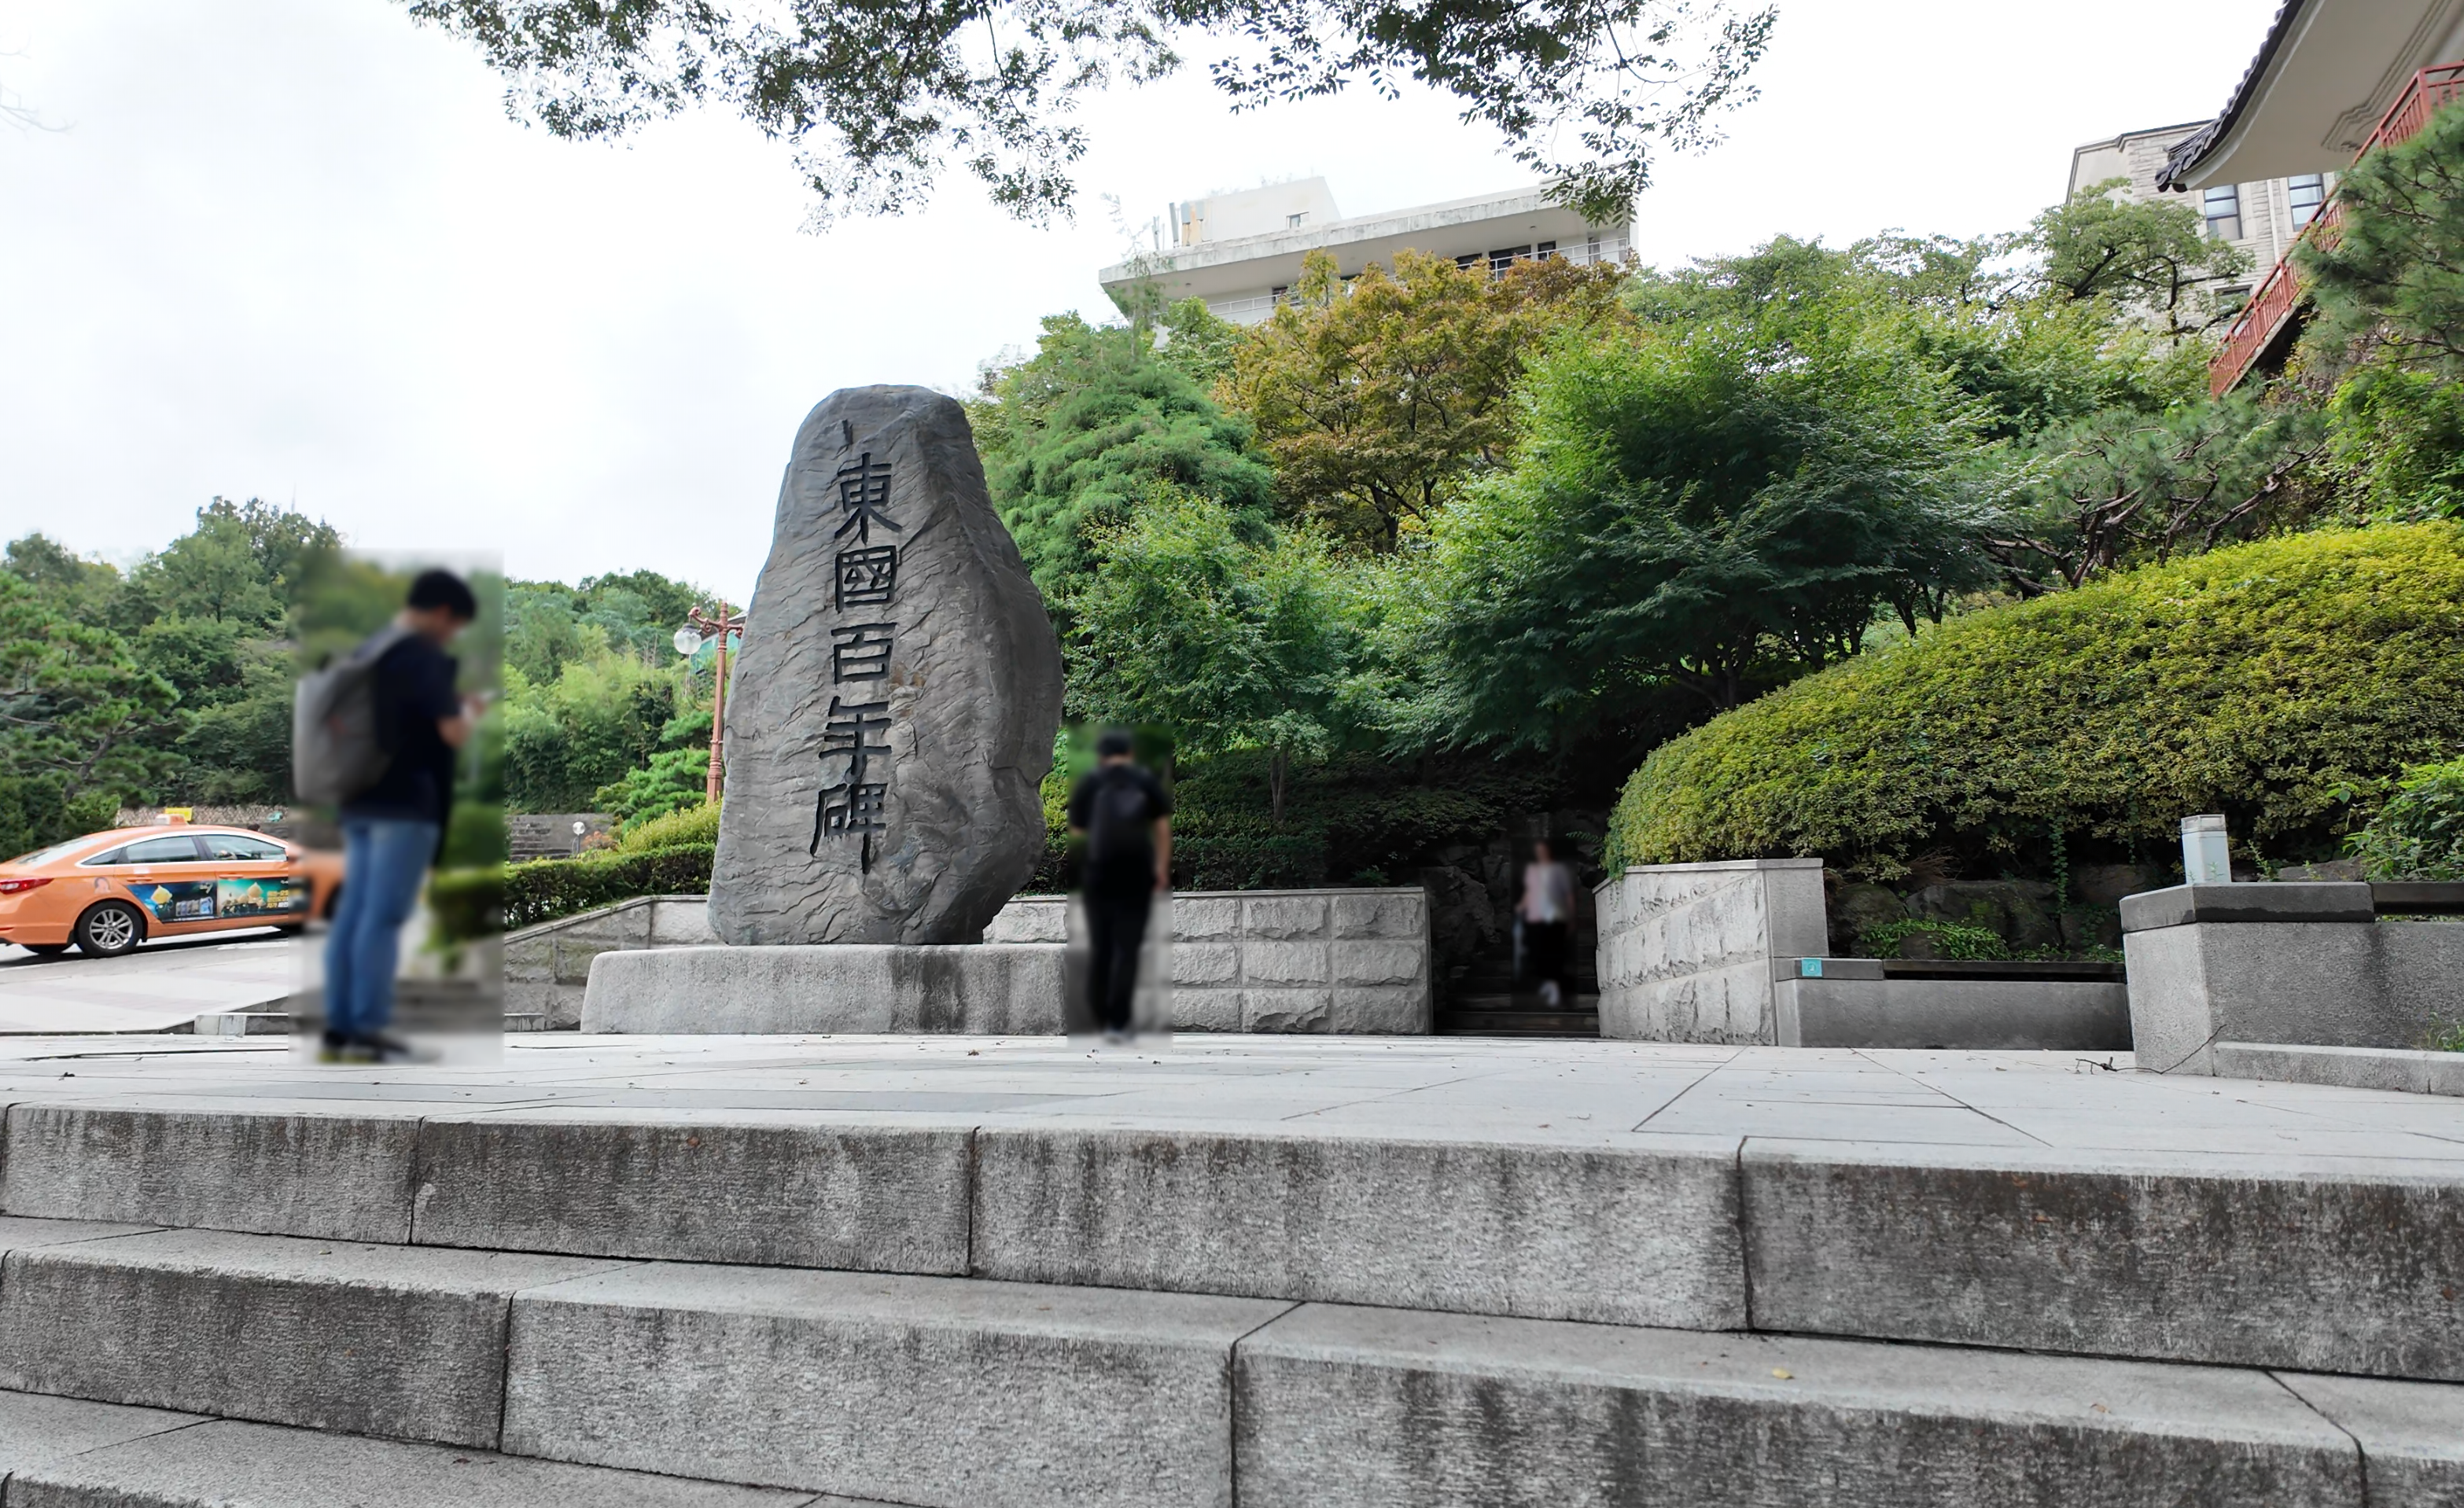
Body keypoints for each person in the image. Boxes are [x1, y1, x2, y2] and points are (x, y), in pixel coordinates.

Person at [322, 569, 479, 1062]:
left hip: (359, 797)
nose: (453, 635)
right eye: (455, 626)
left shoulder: (372, 651)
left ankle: (340, 1023)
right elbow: (451, 733)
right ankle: (367, 1024)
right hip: (406, 803)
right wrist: (469, 712)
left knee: (352, 913)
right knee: (383, 915)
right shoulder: (421, 654)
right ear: (441, 614)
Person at [1066, 729, 1172, 1043]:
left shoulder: (1092, 782)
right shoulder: (1145, 781)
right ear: (1129, 753)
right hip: (1137, 874)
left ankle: (1098, 1016)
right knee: (1128, 948)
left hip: (1100, 875)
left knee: (1102, 946)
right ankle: (1118, 1022)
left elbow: (1077, 830)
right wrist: (1161, 869)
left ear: (1102, 756)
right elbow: (1162, 829)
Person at [1518, 838, 1576, 1006]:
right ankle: (1547, 982)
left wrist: (1571, 916)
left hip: (1555, 917)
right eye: (1538, 851)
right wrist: (1521, 906)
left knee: (1554, 953)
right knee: (1536, 952)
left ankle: (1554, 986)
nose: (1541, 854)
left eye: (1543, 850)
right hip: (1535, 916)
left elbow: (1568, 894)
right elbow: (1530, 891)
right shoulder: (1532, 870)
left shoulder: (1558, 870)